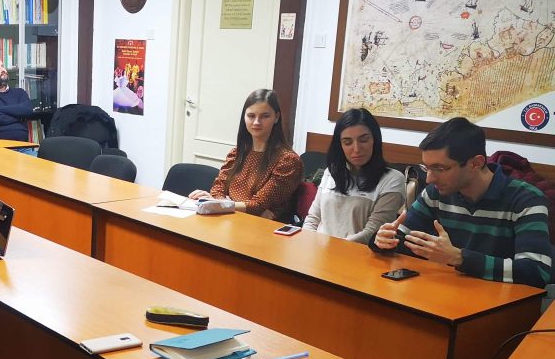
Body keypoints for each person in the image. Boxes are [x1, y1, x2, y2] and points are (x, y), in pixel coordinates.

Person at [372, 117, 552, 287]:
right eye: (427, 168)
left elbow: (536, 271)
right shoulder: (436, 193)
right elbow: (402, 240)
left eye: (440, 168)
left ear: (476, 163)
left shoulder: (525, 199)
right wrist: (383, 240)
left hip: (501, 302)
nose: (429, 179)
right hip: (448, 292)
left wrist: (459, 258)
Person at [189, 88, 302, 220]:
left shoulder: (288, 160)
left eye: (265, 116)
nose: (256, 122)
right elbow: (218, 188)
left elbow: (257, 205)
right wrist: (220, 204)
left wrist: (220, 204)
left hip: (259, 226)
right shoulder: (237, 153)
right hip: (228, 219)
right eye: (251, 116)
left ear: (276, 117)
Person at [303, 108, 405, 243]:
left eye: (364, 140)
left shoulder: (393, 180)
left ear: (375, 140)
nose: (356, 149)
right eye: (347, 142)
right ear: (340, 145)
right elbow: (313, 218)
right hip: (318, 250)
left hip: (357, 252)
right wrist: (305, 243)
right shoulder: (331, 172)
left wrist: (332, 249)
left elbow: (372, 233)